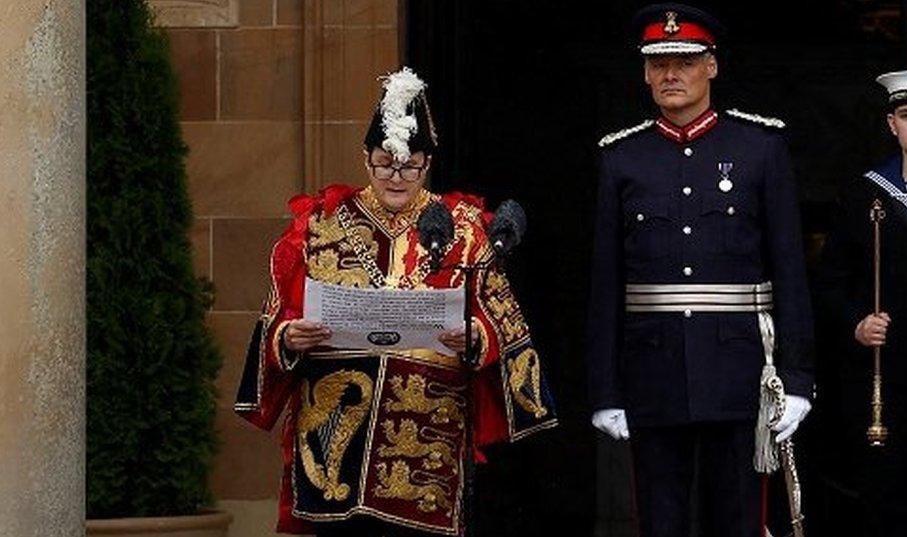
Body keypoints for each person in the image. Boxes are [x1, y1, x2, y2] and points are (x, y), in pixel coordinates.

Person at [234, 67, 556, 536]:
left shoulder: (465, 228)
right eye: (386, 162)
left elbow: (504, 323)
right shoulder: (321, 225)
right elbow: (277, 319)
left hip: (428, 442)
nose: (397, 176)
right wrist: (288, 337)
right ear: (366, 158)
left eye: (411, 164)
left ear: (428, 161)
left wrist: (477, 338)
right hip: (335, 442)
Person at [586, 4, 815, 536]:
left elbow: (790, 271)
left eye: (686, 61)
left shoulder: (760, 149)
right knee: (660, 521)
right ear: (644, 72)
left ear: (712, 67)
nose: (672, 74)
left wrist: (799, 379)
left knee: (737, 519)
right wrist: (605, 391)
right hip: (652, 372)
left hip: (741, 373)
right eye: (659, 62)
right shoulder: (622, 159)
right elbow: (605, 285)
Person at [813, 68, 907, 536]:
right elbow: (829, 281)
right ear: (891, 124)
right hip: (884, 383)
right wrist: (856, 323)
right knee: (887, 500)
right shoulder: (862, 196)